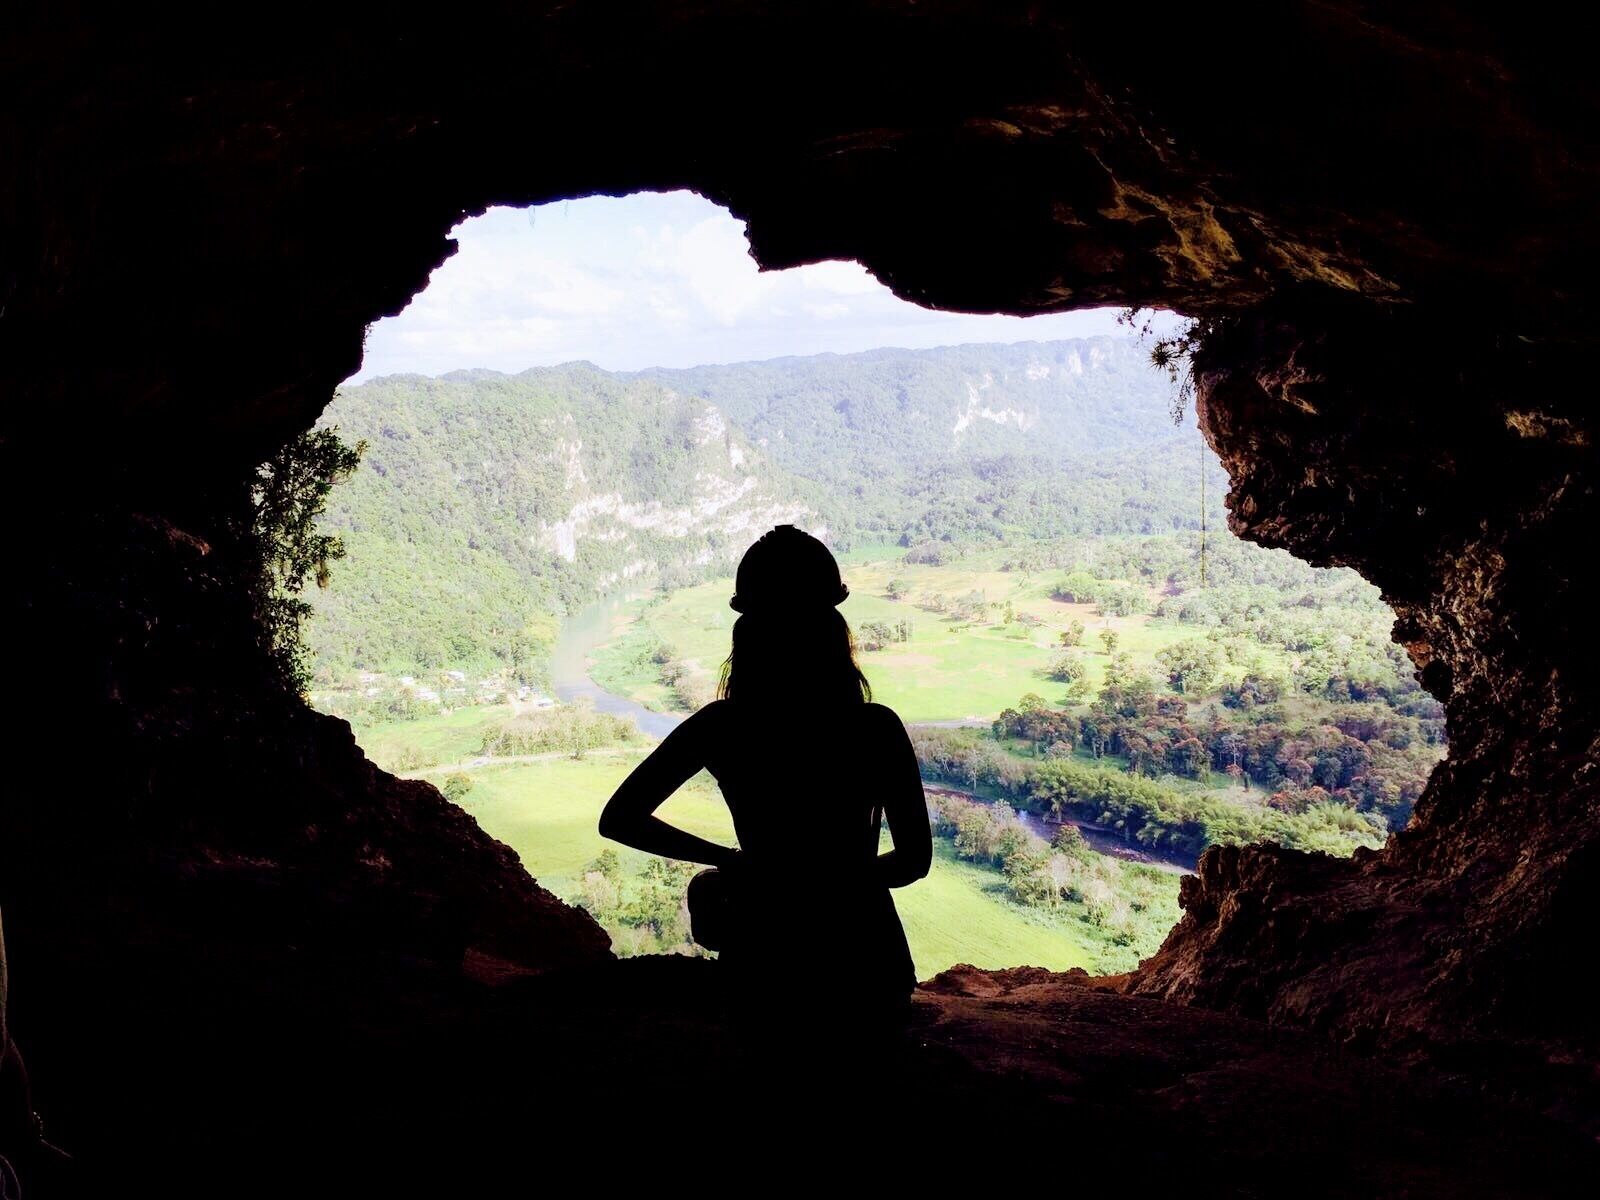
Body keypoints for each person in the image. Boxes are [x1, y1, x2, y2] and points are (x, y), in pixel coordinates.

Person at [597, 525, 932, 1043]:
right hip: (865, 954)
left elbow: (619, 819)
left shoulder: (722, 726)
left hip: (764, 953)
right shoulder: (875, 727)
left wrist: (733, 863)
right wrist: (837, 881)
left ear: (748, 637)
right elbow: (914, 861)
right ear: (833, 634)